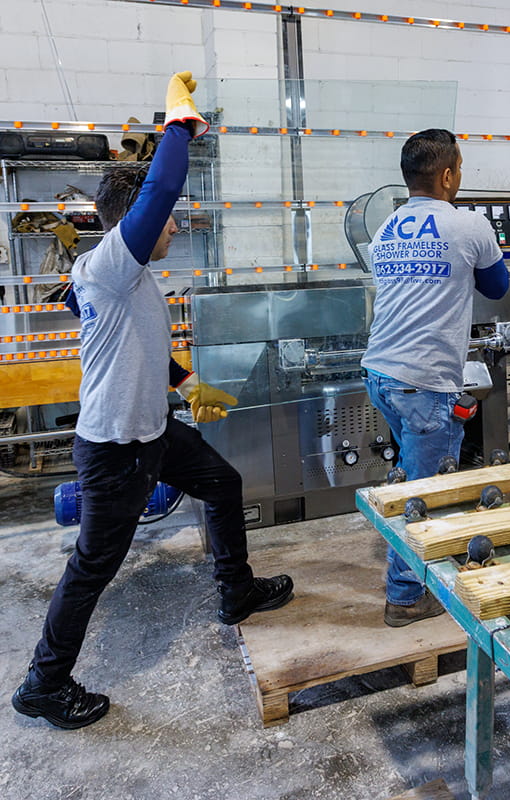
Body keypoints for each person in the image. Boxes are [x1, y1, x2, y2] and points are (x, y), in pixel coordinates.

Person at [11, 72, 293, 731]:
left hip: (153, 432)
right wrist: (176, 122)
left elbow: (139, 347)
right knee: (92, 566)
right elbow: (161, 185)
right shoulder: (111, 264)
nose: (175, 221)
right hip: (116, 449)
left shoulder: (129, 276)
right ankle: (42, 684)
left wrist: (189, 387)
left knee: (222, 483)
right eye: (166, 216)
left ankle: (236, 592)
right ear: (137, 219)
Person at [361, 128, 509, 627]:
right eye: (460, 168)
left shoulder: (386, 229)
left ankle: (418, 565)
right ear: (447, 175)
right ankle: (405, 597)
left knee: (412, 471)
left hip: (381, 372)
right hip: (424, 381)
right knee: (426, 493)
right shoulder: (468, 224)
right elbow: (497, 286)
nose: (460, 176)